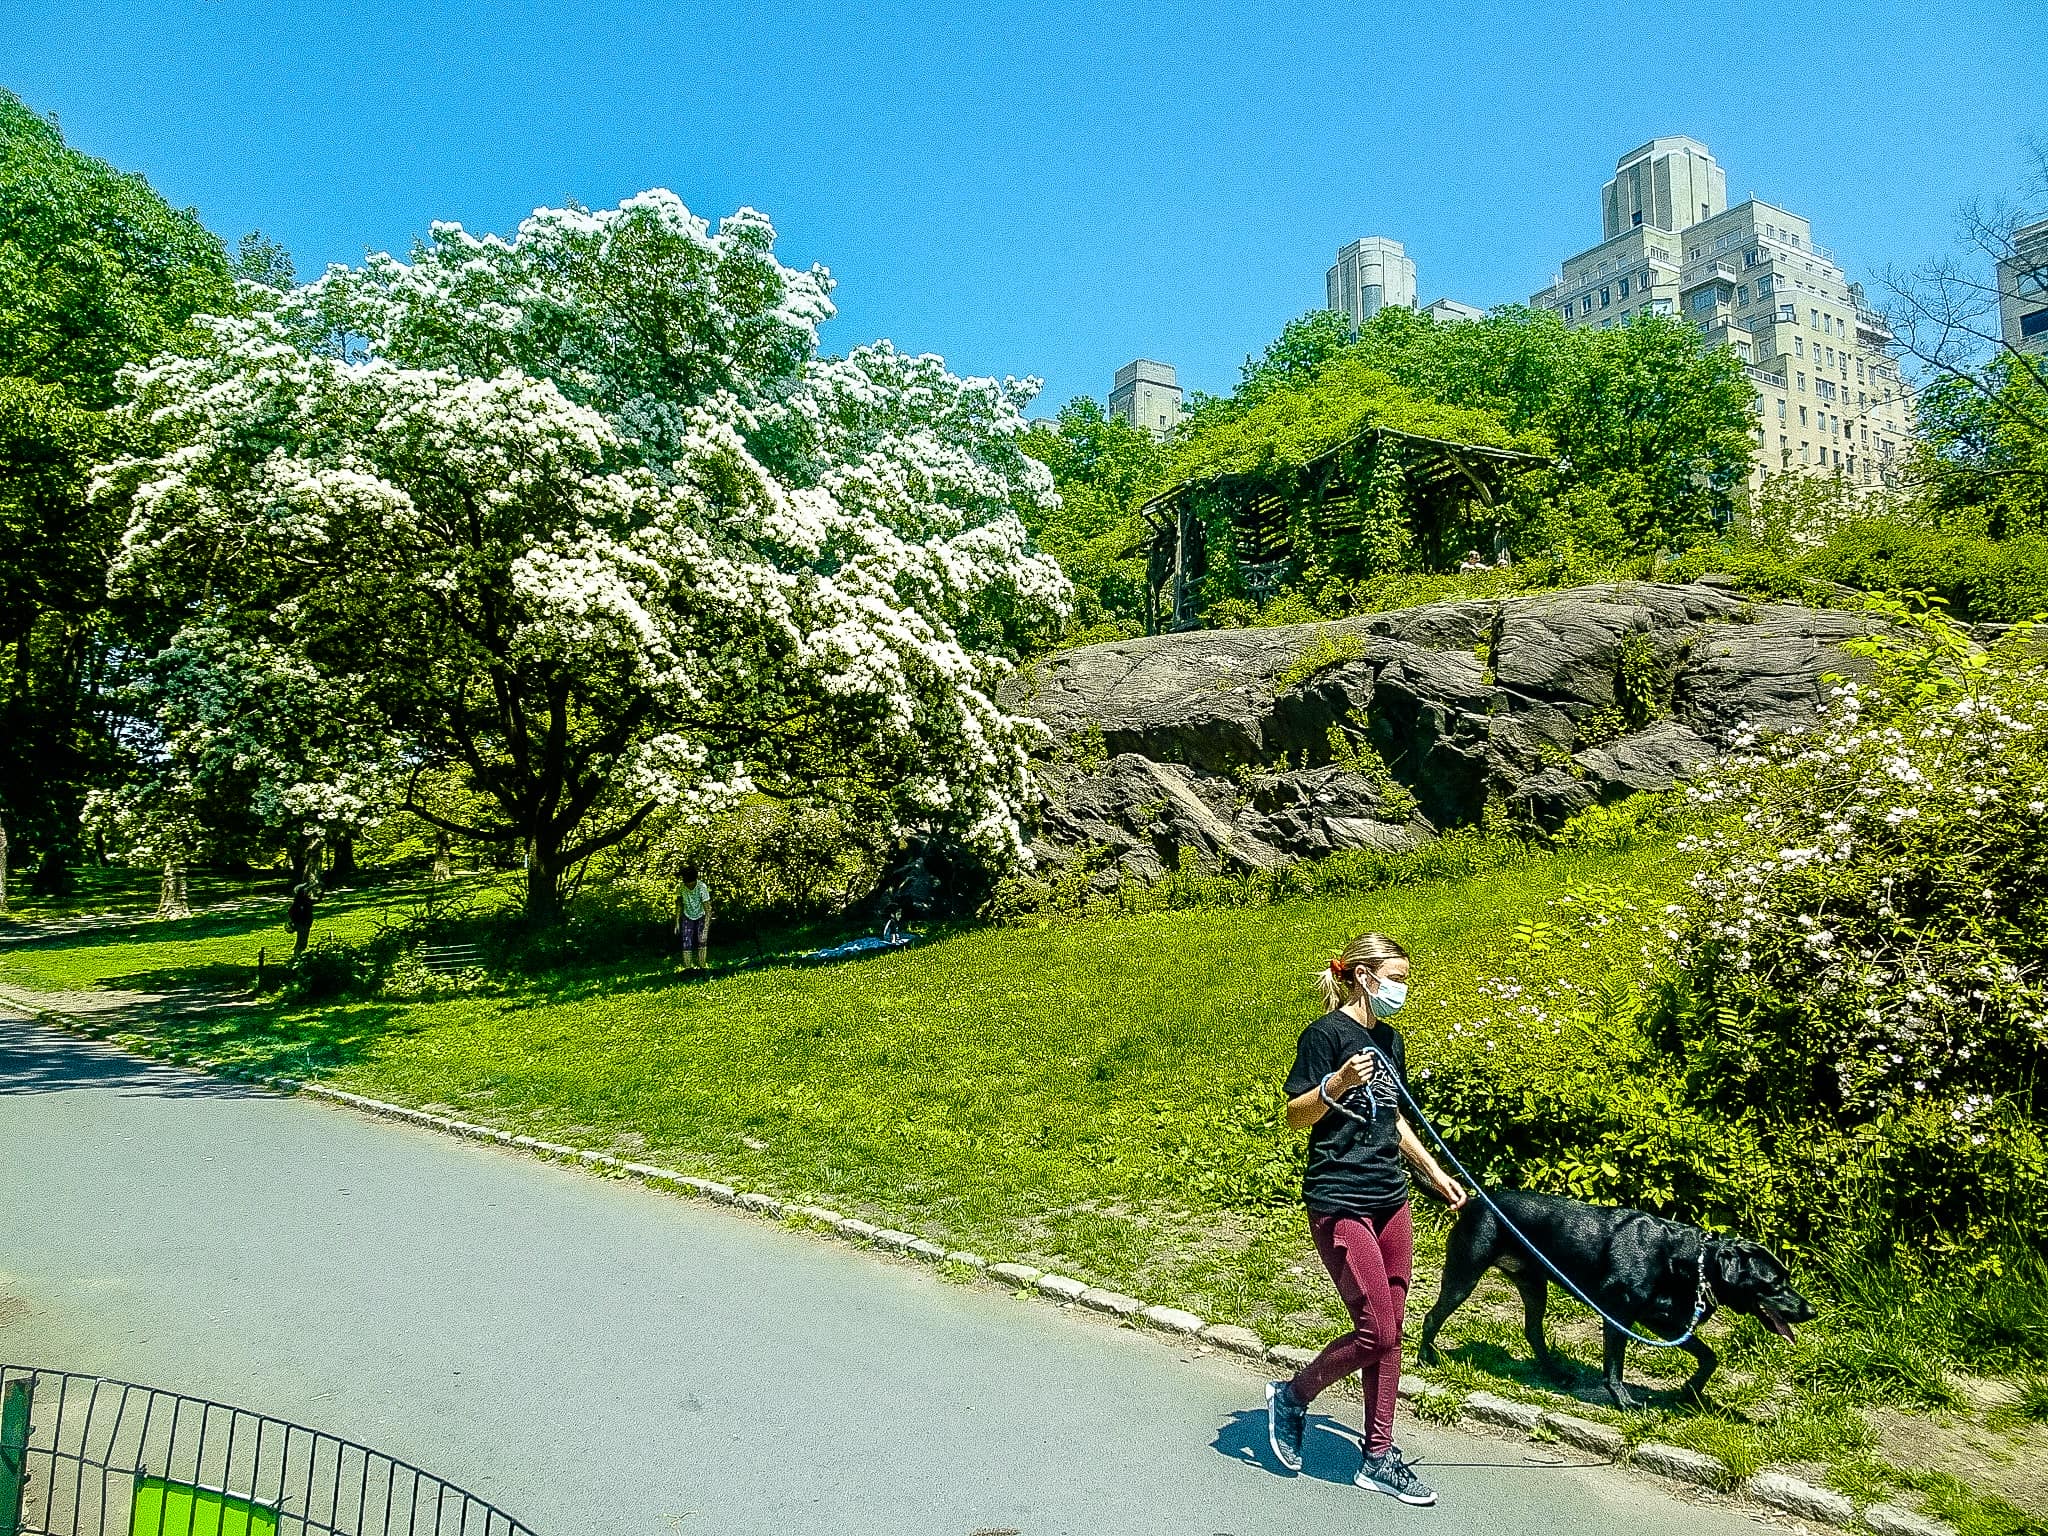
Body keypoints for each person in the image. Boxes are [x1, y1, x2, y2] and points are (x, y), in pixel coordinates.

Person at [1265, 932, 1466, 1506]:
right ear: (1361, 975)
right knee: (1376, 1328)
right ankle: (1293, 1396)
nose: (1402, 988)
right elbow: (1293, 1114)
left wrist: (1431, 1170)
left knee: (1393, 1328)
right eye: (1395, 977)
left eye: (1406, 978)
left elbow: (1393, 1115)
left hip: (1390, 1196)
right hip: (1339, 1196)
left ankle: (1378, 1456)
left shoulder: (1390, 1038)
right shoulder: (1324, 1035)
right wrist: (1337, 1084)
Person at [674, 862, 712, 971]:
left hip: (701, 915)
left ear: (695, 880)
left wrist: (705, 929)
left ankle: (702, 967)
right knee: (686, 941)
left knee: (702, 941)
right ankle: (688, 969)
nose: (689, 885)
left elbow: (708, 910)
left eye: (691, 883)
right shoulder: (681, 888)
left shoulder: (702, 887)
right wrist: (677, 922)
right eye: (687, 883)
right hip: (687, 916)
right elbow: (679, 905)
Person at [287, 882, 315, 955]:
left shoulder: (300, 901)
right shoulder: (302, 902)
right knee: (302, 940)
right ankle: (297, 953)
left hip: (303, 923)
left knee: (302, 940)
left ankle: (297, 954)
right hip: (303, 923)